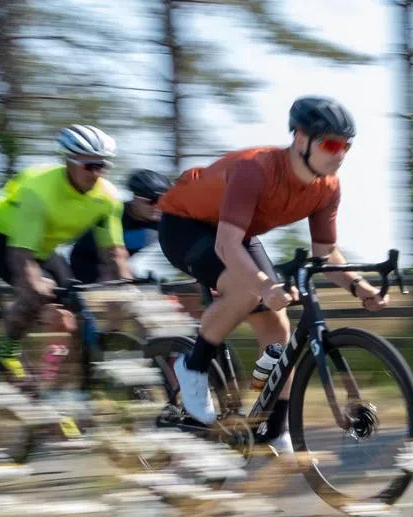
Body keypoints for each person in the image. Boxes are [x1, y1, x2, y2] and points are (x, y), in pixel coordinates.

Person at [157, 96, 388, 455]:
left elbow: (325, 253)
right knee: (247, 290)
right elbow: (226, 246)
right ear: (300, 139)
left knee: (278, 331)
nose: (340, 153)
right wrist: (264, 286)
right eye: (330, 143)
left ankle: (273, 429)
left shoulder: (327, 187)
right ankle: (193, 365)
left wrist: (361, 288)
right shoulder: (256, 169)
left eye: (346, 145)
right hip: (186, 225)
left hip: (235, 232)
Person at [0, 125, 131, 379]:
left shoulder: (108, 198)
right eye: (89, 165)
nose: (96, 173)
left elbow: (114, 252)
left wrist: (126, 284)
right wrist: (35, 285)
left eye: (102, 165)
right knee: (36, 295)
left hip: (44, 246)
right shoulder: (39, 191)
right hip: (3, 238)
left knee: (75, 314)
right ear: (69, 162)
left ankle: (50, 380)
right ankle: (7, 350)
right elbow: (21, 254)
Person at [69, 169, 170, 284]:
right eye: (152, 201)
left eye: (163, 201)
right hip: (88, 263)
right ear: (134, 199)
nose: (158, 207)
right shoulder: (113, 214)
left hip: (121, 265)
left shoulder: (165, 220)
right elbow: (112, 255)